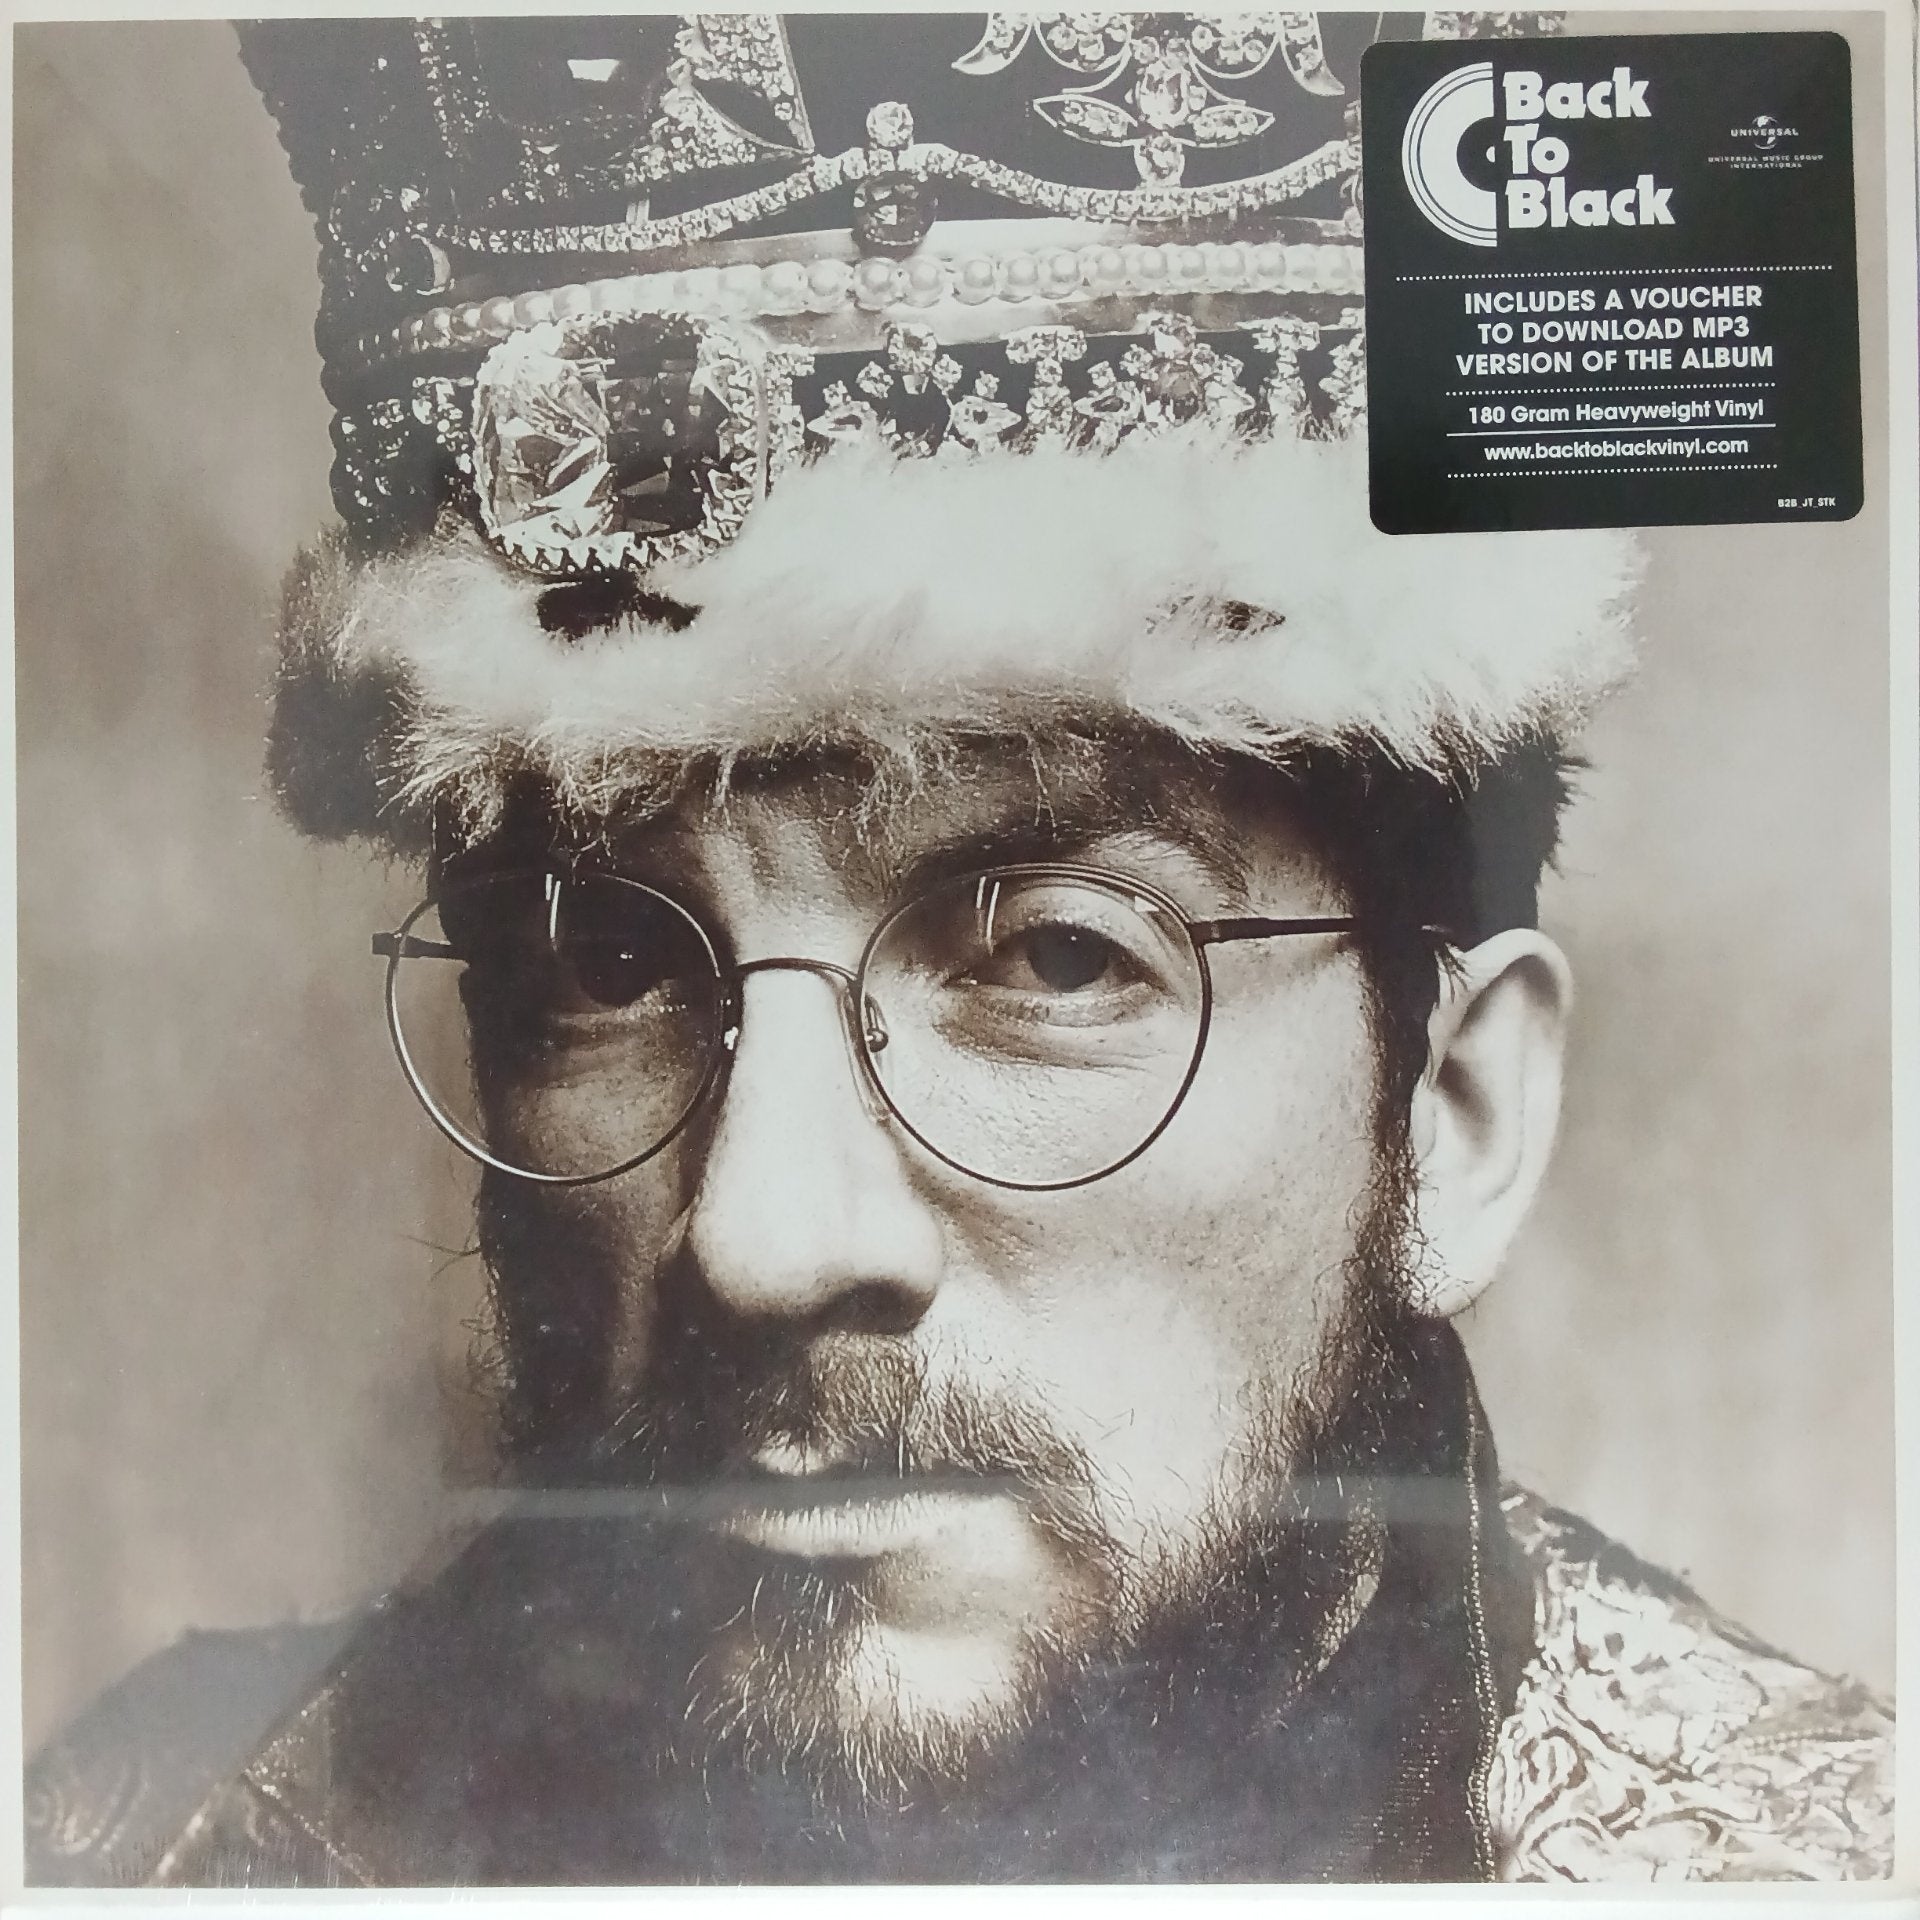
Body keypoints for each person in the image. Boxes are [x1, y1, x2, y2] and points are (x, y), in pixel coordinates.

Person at [25, 10, 1892, 1886]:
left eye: (1055, 962)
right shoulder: (145, 1854)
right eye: (603, 972)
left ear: (1456, 1121)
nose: (760, 1239)